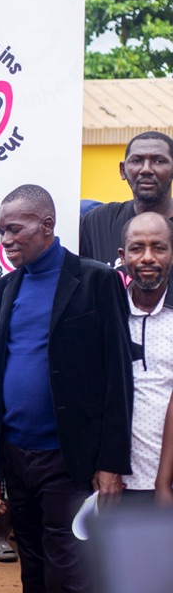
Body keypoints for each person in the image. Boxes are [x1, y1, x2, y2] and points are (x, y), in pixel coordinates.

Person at [0, 185, 133, 593]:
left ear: (47, 224)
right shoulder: (3, 290)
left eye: (14, 229)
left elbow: (119, 376)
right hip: (15, 455)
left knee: (68, 570)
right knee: (30, 563)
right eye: (0, 232)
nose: (6, 240)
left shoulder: (96, 281)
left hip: (69, 458)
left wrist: (110, 463)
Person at [117, 212, 173, 503]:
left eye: (159, 247)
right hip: (117, 484)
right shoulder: (108, 313)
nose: (148, 257)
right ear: (123, 256)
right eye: (137, 248)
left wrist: (164, 483)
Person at [79, 131, 173, 267]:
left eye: (158, 161)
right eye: (137, 161)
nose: (146, 169)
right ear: (123, 170)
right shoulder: (98, 222)